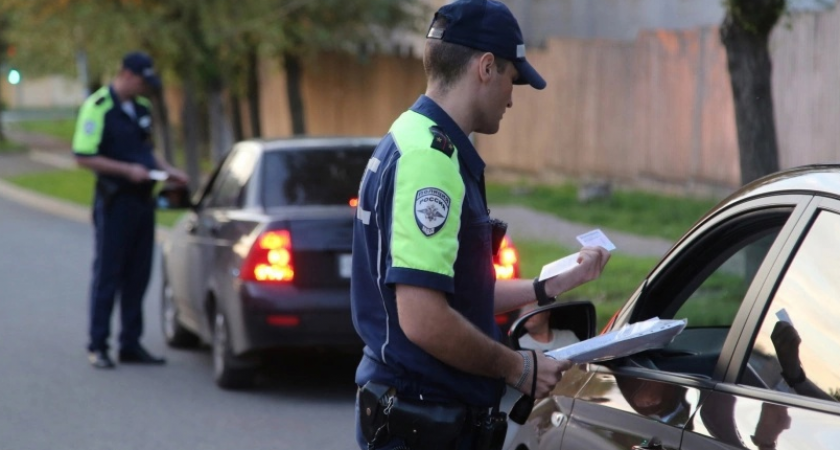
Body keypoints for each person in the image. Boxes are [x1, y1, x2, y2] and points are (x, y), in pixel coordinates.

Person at [350, 1, 611, 448]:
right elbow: (424, 319)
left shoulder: (413, 136)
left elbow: (453, 293)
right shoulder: (429, 163)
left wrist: (547, 286)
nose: (512, 96)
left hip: (419, 416)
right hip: (425, 423)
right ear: (486, 67)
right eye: (514, 79)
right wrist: (519, 368)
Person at [72, 51, 189, 369]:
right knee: (108, 274)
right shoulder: (98, 107)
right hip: (114, 201)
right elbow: (83, 155)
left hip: (142, 200)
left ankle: (130, 343)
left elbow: (147, 151)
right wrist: (126, 170)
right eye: (141, 81)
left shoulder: (141, 108)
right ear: (125, 74)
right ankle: (98, 344)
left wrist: (169, 170)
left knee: (138, 274)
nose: (144, 88)